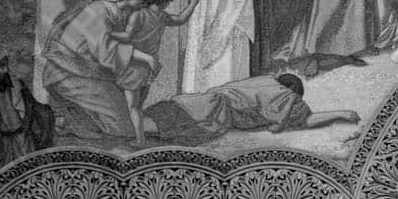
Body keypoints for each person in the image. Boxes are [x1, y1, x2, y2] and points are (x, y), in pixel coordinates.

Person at [40, 0, 156, 143]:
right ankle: (67, 119)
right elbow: (104, 51)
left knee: (122, 113)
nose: (146, 1)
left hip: (81, 71)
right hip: (67, 74)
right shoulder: (101, 10)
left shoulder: (112, 9)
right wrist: (142, 56)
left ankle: (69, 120)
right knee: (126, 127)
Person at [106, 0, 201, 143]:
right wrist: (194, 1)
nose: (168, 4)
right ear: (163, 0)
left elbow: (127, 37)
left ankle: (139, 140)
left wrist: (110, 33)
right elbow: (181, 19)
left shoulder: (139, 14)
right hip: (149, 67)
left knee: (133, 107)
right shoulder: (162, 17)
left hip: (134, 65)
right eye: (168, 1)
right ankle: (137, 135)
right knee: (137, 106)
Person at [145, 71, 361, 141]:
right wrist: (340, 113)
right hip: (210, 112)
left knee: (150, 121)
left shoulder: (264, 80)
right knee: (162, 126)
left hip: (193, 101)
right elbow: (306, 120)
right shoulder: (285, 96)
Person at [0, 45, 54, 169]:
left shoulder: (11, 84)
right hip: (0, 145)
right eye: (1, 66)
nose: (5, 70)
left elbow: (29, 108)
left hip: (20, 141)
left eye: (5, 65)